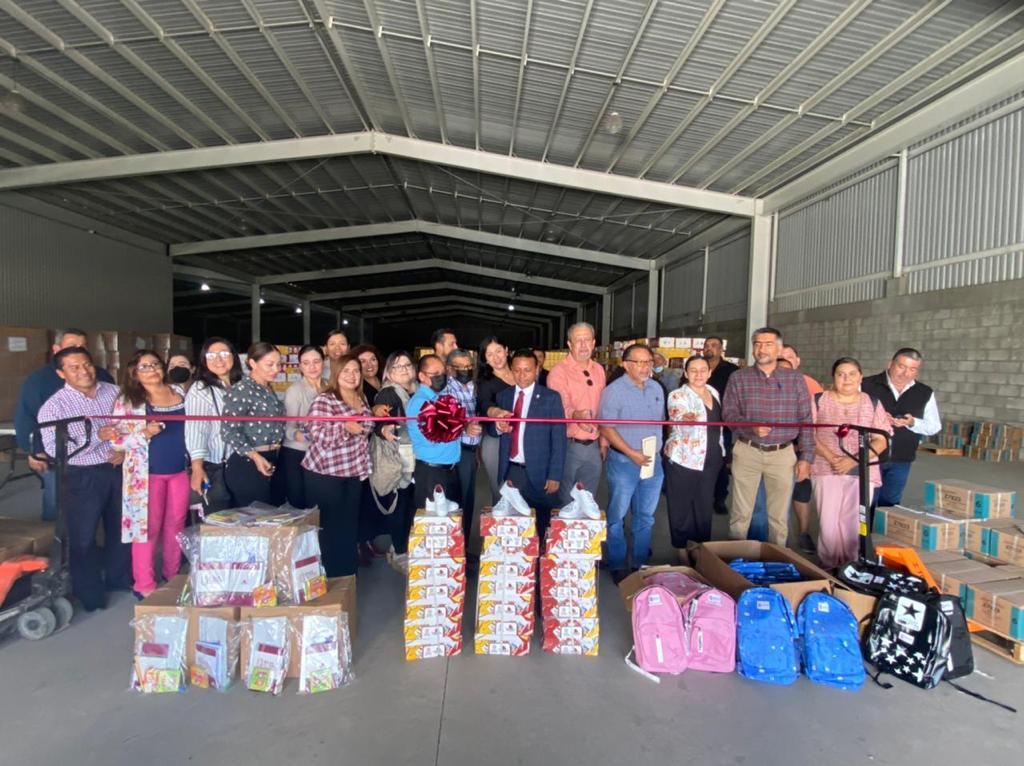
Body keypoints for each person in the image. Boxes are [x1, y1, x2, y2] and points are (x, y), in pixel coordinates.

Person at [37, 346, 129, 611]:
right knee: (83, 536)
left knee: (120, 528)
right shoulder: (54, 407)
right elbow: (57, 450)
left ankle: (118, 578)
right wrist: (96, 438)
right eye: (74, 367)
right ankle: (90, 594)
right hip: (81, 476)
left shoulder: (114, 393)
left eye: (86, 364)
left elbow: (129, 426)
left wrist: (122, 449)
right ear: (61, 373)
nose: (83, 371)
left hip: (115, 469)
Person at [103, 350, 189, 599]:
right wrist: (145, 434)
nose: (151, 369)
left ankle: (172, 575)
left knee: (176, 525)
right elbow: (116, 440)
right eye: (144, 366)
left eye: (155, 364)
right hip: (146, 474)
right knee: (146, 529)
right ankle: (144, 583)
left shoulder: (179, 393)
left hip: (178, 471)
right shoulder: (129, 400)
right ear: (134, 373)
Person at [722, 327, 814, 547]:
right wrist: (749, 427)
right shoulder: (738, 378)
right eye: (757, 344)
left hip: (782, 454)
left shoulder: (795, 379)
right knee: (740, 514)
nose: (761, 349)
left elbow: (806, 419)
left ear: (779, 348)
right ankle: (735, 560)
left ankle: (777, 560)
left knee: (779, 517)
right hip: (747, 451)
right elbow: (728, 414)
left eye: (768, 344)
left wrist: (806, 457)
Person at [16, 328, 115, 521]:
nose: (82, 370)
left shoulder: (102, 377)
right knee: (58, 505)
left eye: (82, 347)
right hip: (58, 455)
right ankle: (55, 545)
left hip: (104, 456)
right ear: (56, 349)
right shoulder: (39, 381)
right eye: (71, 346)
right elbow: (26, 417)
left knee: (100, 509)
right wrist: (35, 450)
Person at [812, 358, 891, 568]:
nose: (846, 379)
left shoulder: (872, 402)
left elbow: (881, 439)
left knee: (853, 525)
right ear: (833, 378)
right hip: (825, 469)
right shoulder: (819, 400)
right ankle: (827, 568)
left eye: (852, 374)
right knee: (828, 525)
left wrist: (852, 460)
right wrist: (832, 458)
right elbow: (808, 434)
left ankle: (852, 570)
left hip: (863, 472)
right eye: (840, 374)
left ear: (860, 377)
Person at [598, 344, 666, 583]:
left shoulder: (657, 388)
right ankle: (617, 563)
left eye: (648, 361)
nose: (645, 367)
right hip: (624, 462)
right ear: (626, 365)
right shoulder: (614, 391)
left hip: (653, 463)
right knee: (617, 514)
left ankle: (640, 564)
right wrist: (630, 452)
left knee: (645, 515)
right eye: (639, 362)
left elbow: (660, 422)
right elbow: (606, 426)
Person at [302, 354, 372, 577]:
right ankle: (331, 577)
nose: (352, 375)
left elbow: (366, 429)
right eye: (346, 371)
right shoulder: (326, 400)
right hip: (326, 473)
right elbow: (315, 432)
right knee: (330, 527)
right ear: (336, 374)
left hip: (353, 472)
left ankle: (347, 575)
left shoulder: (361, 399)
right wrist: (344, 428)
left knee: (349, 525)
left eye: (356, 371)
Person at [492, 349, 566, 539]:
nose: (522, 375)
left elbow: (559, 439)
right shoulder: (504, 396)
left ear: (537, 370)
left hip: (541, 473)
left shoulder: (551, 398)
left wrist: (555, 475)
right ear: (511, 369)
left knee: (543, 524)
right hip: (512, 470)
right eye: (517, 370)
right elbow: (493, 431)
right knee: (515, 525)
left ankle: (542, 562)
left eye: (527, 370)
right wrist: (499, 427)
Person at [861, 348, 941, 507]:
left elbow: (934, 426)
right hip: (870, 455)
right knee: (866, 500)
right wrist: (878, 421)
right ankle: (862, 532)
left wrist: (912, 423)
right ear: (890, 364)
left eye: (912, 369)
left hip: (902, 458)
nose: (905, 373)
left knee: (890, 501)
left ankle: (882, 531)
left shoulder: (924, 392)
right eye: (901, 366)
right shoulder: (866, 385)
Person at [663, 355, 725, 550]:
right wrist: (686, 418)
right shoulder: (677, 395)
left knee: (704, 505)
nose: (698, 374)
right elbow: (678, 415)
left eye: (703, 370)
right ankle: (682, 550)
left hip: (712, 457)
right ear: (685, 373)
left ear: (709, 372)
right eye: (693, 371)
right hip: (684, 458)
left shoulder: (713, 391)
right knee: (681, 506)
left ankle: (701, 549)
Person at [547, 322, 606, 505]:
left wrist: (604, 442)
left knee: (587, 499)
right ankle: (562, 532)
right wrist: (575, 415)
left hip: (594, 445)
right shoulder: (558, 372)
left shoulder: (599, 370)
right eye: (578, 340)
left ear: (594, 342)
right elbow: (560, 407)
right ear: (570, 344)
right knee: (565, 500)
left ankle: (582, 533)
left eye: (587, 340)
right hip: (568, 445)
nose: (583, 345)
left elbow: (604, 407)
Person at [221, 343, 285, 506]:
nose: (276, 369)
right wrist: (255, 457)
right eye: (269, 364)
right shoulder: (241, 389)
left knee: (272, 519)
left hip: (272, 459)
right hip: (248, 463)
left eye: (278, 364)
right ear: (252, 363)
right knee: (256, 521)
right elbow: (229, 431)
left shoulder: (268, 389)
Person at [372, 351, 419, 573]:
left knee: (408, 503)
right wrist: (384, 429)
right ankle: (399, 550)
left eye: (407, 365)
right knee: (399, 505)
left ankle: (400, 545)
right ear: (389, 372)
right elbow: (379, 422)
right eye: (397, 367)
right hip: (397, 458)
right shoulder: (389, 394)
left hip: (413, 456)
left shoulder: (415, 391)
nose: (404, 370)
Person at [185, 337, 241, 513]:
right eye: (212, 355)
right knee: (219, 525)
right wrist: (197, 467)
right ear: (204, 359)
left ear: (234, 356)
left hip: (240, 464)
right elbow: (196, 429)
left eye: (224, 353)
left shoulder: (242, 385)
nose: (218, 359)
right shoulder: (201, 389)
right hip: (215, 466)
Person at [778, 343, 823, 553]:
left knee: (801, 491)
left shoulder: (810, 384)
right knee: (777, 495)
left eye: (789, 357)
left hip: (803, 445)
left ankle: (804, 533)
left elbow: (817, 419)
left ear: (797, 360)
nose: (785, 360)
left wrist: (807, 450)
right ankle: (780, 538)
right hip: (779, 447)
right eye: (780, 357)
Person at [407, 354, 462, 510]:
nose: (441, 377)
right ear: (422, 376)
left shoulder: (440, 397)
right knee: (430, 529)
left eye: (443, 373)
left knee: (451, 527)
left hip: (448, 469)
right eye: (435, 374)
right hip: (432, 472)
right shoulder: (421, 402)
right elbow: (441, 434)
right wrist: (459, 423)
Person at [276, 344, 325, 508]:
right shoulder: (295, 390)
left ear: (323, 363)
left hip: (323, 453)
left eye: (316, 361)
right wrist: (305, 435)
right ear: (300, 366)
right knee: (301, 502)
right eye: (306, 363)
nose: (312, 367)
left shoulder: (330, 388)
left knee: (320, 499)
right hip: (297, 453)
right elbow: (288, 427)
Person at [445, 349, 483, 541]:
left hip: (471, 450)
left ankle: (464, 547)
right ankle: (456, 547)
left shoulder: (472, 386)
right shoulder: (446, 388)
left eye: (469, 366)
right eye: (461, 367)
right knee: (456, 501)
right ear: (450, 368)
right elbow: (442, 419)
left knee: (468, 500)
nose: (466, 370)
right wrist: (463, 427)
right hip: (455, 450)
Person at [475, 337, 515, 503]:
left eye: (498, 351)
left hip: (523, 438)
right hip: (496, 440)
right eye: (489, 354)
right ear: (485, 359)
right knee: (500, 491)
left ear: (506, 350)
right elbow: (485, 404)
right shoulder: (486, 382)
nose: (496, 357)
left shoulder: (521, 372)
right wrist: (497, 413)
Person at [703, 336, 739, 516]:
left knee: (720, 463)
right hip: (699, 426)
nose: (709, 348)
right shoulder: (697, 367)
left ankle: (719, 498)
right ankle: (702, 495)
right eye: (707, 346)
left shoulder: (731, 371)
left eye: (714, 346)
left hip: (722, 426)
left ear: (721, 350)